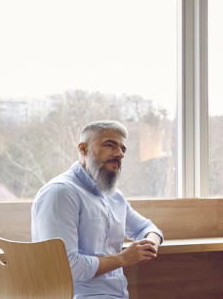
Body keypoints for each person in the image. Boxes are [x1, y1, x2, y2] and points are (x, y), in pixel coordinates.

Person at [31, 120, 163, 299]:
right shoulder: (61, 193)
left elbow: (148, 229)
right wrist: (124, 258)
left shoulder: (114, 196)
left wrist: (150, 245)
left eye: (123, 149)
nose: (119, 154)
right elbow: (66, 266)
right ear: (83, 149)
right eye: (110, 145)